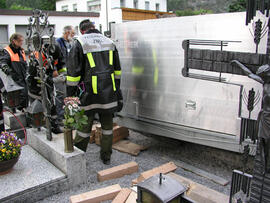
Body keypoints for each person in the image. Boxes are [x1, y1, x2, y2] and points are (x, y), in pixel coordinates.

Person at [66, 19, 123, 164]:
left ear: (82, 30)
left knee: (84, 127)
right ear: (94, 28)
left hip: (88, 94)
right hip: (108, 94)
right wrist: (116, 91)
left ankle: (78, 158)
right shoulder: (109, 42)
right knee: (107, 128)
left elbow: (73, 74)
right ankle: (106, 156)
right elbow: (117, 71)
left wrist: (70, 96)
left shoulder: (79, 43)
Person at [27, 43, 64, 134]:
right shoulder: (36, 60)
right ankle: (41, 126)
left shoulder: (55, 53)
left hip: (48, 84)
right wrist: (54, 80)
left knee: (52, 105)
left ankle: (54, 126)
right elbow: (40, 79)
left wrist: (63, 74)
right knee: (39, 108)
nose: (55, 60)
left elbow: (60, 65)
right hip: (36, 87)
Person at [0, 33, 28, 110]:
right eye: (19, 41)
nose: (21, 43)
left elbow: (24, 64)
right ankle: (19, 110)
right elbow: (3, 63)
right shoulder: (7, 51)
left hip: (23, 77)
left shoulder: (21, 51)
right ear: (14, 41)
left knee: (25, 95)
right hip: (14, 79)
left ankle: (24, 110)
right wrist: (10, 72)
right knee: (18, 97)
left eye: (22, 41)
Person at [55, 26, 75, 124]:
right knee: (61, 95)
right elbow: (53, 58)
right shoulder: (58, 43)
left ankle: (69, 115)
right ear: (67, 33)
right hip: (60, 74)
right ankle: (61, 117)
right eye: (72, 33)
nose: (74, 36)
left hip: (70, 73)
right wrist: (55, 71)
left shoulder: (70, 43)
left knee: (69, 95)